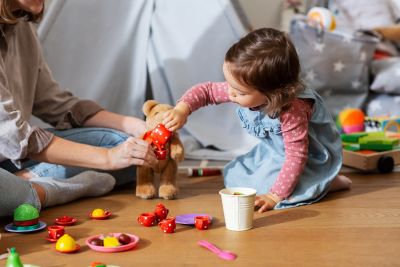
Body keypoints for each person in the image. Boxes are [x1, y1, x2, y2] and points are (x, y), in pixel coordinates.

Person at [163, 28, 352, 213]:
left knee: (265, 188)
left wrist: (274, 196)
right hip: (274, 151)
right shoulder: (239, 86)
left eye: (240, 92)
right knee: (237, 175)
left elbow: (296, 156)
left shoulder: (291, 109)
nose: (230, 92)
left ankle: (325, 181)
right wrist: (182, 109)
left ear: (273, 93)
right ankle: (318, 182)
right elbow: (206, 91)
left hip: (307, 157)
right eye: (229, 83)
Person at [0, 0, 158, 217]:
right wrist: (108, 158)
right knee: (121, 157)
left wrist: (132, 125)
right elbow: (13, 135)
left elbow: (54, 102)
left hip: (13, 159)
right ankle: (49, 188)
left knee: (134, 153)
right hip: (10, 158)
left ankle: (22, 186)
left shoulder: (23, 28)